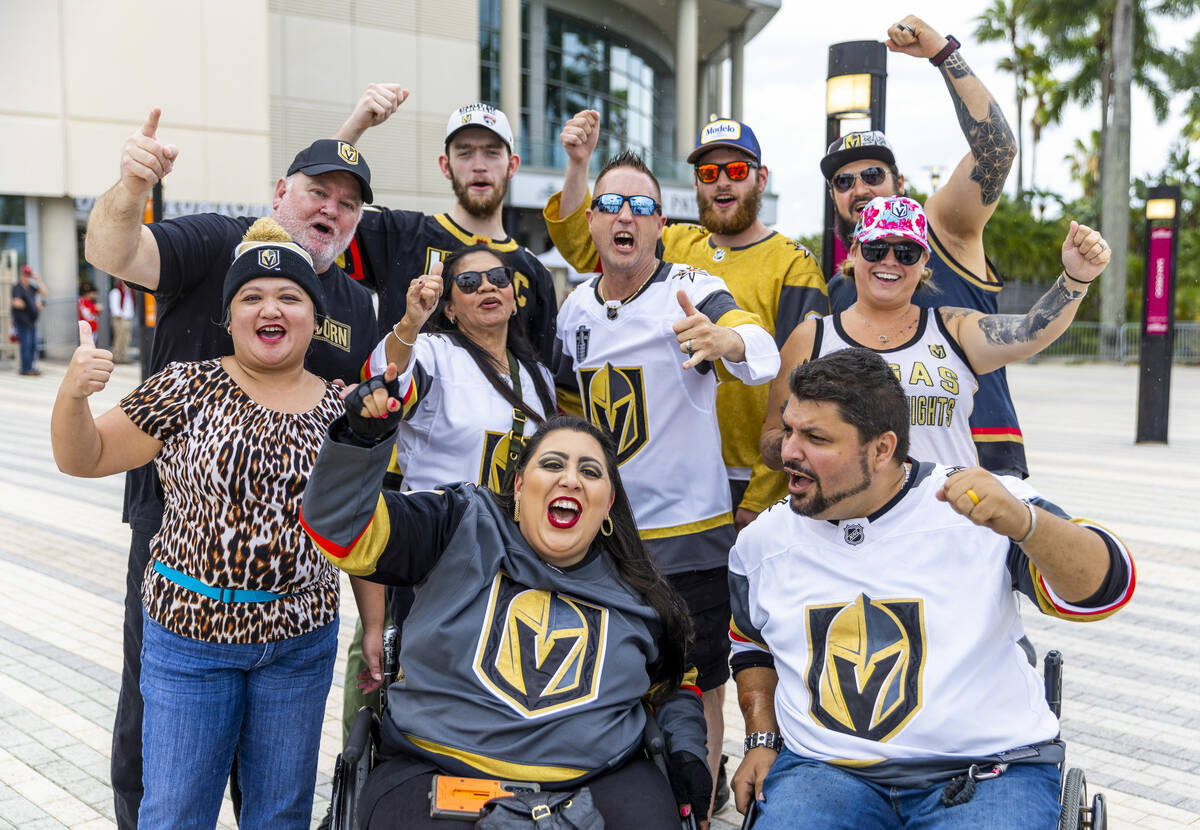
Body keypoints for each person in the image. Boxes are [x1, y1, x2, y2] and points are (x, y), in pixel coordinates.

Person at [83, 108, 378, 829]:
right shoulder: (219, 240)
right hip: (178, 542)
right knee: (159, 759)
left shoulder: (352, 305)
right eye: (316, 193)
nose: (329, 211)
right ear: (281, 192)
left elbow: (359, 463)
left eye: (347, 204)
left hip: (294, 597)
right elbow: (117, 250)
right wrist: (130, 184)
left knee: (274, 790)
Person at [729, 348, 1135, 829]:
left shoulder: (980, 504)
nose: (788, 451)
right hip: (827, 770)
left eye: (815, 437)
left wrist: (1027, 525)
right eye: (790, 429)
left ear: (882, 449)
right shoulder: (761, 544)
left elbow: (1107, 588)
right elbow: (750, 645)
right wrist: (761, 737)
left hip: (989, 770)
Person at [300, 404, 713, 829]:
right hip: (439, 772)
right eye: (552, 464)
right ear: (518, 486)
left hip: (598, 781)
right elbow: (339, 527)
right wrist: (361, 441)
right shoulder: (459, 525)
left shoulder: (638, 590)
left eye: (590, 472)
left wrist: (686, 751)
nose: (570, 478)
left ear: (607, 504)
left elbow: (674, 686)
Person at [550, 149, 779, 818]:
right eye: (613, 204)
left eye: (644, 207)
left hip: (689, 540)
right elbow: (565, 410)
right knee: (604, 683)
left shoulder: (692, 287)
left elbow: (759, 349)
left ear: (660, 224)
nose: (627, 216)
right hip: (604, 543)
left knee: (699, 685)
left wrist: (725, 342)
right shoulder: (574, 310)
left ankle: (698, 811)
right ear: (591, 221)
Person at [545, 110, 828, 531]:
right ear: (695, 182)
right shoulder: (673, 241)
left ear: (761, 178)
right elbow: (583, 246)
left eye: (736, 169)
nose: (722, 182)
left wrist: (764, 491)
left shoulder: (793, 264)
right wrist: (578, 164)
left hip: (758, 475)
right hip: (670, 482)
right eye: (708, 172)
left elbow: (802, 384)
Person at [761, 196, 1109, 472]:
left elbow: (1029, 332)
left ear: (924, 260)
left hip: (947, 528)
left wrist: (1075, 279)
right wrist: (811, 441)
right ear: (854, 252)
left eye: (907, 252)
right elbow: (771, 439)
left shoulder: (952, 328)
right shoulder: (813, 337)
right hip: (844, 529)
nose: (890, 260)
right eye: (876, 248)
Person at [348, 243, 557, 697]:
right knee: (432, 696)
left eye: (498, 278)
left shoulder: (538, 375)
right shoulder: (434, 354)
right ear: (450, 307)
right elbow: (386, 379)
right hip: (438, 563)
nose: (486, 287)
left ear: (514, 294)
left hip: (516, 569)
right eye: (468, 282)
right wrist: (409, 322)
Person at [821, 16, 1026, 477]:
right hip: (875, 477)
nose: (860, 188)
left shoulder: (942, 228)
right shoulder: (841, 284)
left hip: (977, 458)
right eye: (844, 181)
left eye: (874, 175)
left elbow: (997, 152)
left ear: (899, 183)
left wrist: (942, 52)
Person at [333, 86, 559, 364]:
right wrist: (355, 126)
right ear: (445, 165)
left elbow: (546, 378)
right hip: (402, 403)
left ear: (512, 165)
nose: (479, 165)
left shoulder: (535, 273)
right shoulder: (399, 234)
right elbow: (311, 218)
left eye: (491, 153)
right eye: (465, 153)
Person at [11, 264, 47, 376]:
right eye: (25, 275)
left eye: (28, 275)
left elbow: (44, 293)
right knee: (26, 344)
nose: (27, 277)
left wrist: (37, 279)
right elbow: (17, 303)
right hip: (22, 321)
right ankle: (25, 368)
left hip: (31, 321)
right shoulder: (17, 288)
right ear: (21, 275)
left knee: (32, 345)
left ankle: (30, 367)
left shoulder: (31, 287)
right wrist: (32, 305)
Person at [109, 278, 135, 363]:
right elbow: (114, 307)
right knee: (119, 338)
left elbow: (130, 306)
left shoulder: (129, 293)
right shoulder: (116, 292)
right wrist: (121, 317)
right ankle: (117, 357)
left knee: (127, 339)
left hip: (128, 319)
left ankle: (124, 357)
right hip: (120, 319)